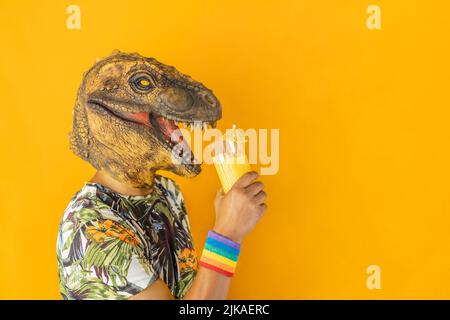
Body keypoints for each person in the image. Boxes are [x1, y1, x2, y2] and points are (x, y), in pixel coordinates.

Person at [56, 51, 267, 300]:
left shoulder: (166, 191)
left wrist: (229, 219)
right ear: (99, 108)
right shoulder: (92, 227)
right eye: (142, 83)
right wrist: (227, 233)